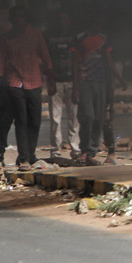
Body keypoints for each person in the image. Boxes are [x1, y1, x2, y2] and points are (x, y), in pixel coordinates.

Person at [0, 6, 55, 171]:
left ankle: (30, 153)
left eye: (21, 17)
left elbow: (46, 58)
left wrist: (51, 81)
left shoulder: (36, 35)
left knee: (35, 121)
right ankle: (24, 158)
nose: (19, 20)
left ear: (26, 19)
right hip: (14, 83)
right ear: (12, 20)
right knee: (21, 120)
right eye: (15, 18)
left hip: (34, 82)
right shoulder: (5, 38)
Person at [71, 16, 118, 166]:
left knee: (99, 118)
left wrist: (116, 79)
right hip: (85, 82)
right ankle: (85, 150)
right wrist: (75, 86)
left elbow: (109, 60)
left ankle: (91, 152)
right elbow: (75, 62)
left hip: (101, 83)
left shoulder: (103, 38)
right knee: (88, 117)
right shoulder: (80, 38)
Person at [44, 10, 79, 158]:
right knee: (55, 117)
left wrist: (77, 84)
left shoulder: (73, 38)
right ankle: (55, 149)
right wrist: (49, 81)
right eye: (60, 20)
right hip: (56, 81)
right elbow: (47, 60)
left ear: (68, 22)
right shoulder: (49, 38)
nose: (62, 23)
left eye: (65, 20)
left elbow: (76, 61)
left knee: (74, 117)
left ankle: (75, 148)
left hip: (71, 80)